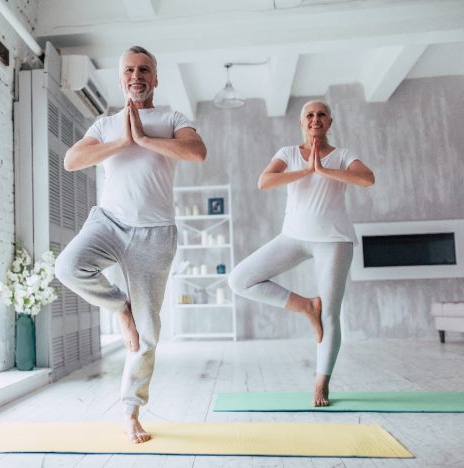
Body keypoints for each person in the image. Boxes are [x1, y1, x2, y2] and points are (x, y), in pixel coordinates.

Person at [55, 46, 206, 443]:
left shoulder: (172, 118)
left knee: (149, 332)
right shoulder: (105, 124)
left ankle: (130, 411)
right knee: (68, 267)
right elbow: (72, 161)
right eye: (129, 70)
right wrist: (124, 141)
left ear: (155, 78)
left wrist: (143, 137)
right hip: (109, 222)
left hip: (155, 234)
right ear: (121, 78)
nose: (136, 76)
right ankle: (120, 308)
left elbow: (196, 151)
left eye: (144, 70)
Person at [228, 100, 374, 407]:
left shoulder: (344, 155)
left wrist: (325, 169)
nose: (315, 119)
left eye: (322, 115)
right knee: (240, 279)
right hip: (292, 238)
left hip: (333, 240)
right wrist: (308, 169)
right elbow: (265, 181)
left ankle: (322, 383)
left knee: (332, 314)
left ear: (330, 122)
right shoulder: (287, 153)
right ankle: (306, 306)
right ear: (301, 123)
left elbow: (366, 179)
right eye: (310, 115)